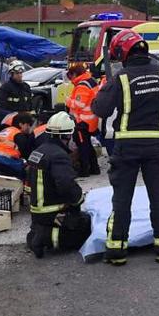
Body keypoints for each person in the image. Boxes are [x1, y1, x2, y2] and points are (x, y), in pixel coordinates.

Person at [91, 29, 159, 266]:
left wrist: (104, 89)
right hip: (156, 144)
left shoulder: (121, 78)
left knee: (122, 199)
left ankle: (117, 251)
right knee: (158, 196)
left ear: (124, 52)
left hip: (127, 146)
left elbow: (101, 110)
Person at [25, 111, 91, 259]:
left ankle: (37, 233)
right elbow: (66, 185)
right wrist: (79, 199)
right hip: (52, 210)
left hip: (37, 211)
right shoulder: (59, 155)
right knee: (86, 225)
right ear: (65, 136)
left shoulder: (38, 152)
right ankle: (46, 238)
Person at [66, 64, 101, 177]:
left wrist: (68, 101)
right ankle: (94, 168)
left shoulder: (82, 85)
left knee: (83, 146)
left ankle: (85, 170)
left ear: (75, 74)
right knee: (87, 145)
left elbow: (79, 104)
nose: (70, 80)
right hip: (91, 120)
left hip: (82, 121)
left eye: (70, 76)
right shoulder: (91, 81)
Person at [0, 113, 35, 180]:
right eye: (28, 125)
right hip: (5, 163)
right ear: (21, 124)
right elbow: (26, 153)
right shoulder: (18, 135)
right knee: (25, 171)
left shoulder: (5, 131)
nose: (29, 128)